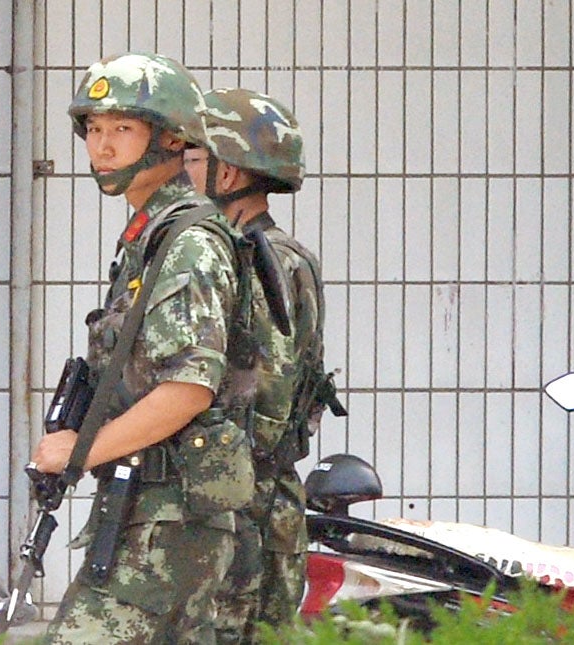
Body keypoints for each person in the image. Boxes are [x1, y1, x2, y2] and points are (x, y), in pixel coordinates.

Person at [31, 52, 260, 643]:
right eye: (94, 129)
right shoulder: (151, 237)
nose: (103, 147)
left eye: (123, 129)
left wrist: (80, 451)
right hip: (150, 509)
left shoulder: (187, 242)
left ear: (171, 139)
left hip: (171, 520)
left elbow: (187, 389)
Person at [185, 88, 338, 640]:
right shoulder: (285, 256)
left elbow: (261, 406)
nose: (183, 172)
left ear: (227, 174)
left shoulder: (253, 262)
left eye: (193, 158)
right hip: (266, 507)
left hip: (241, 515)